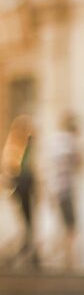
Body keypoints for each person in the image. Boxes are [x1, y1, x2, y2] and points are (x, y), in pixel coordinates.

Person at [1, 114, 40, 269]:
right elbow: (11, 169)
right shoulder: (15, 147)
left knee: (28, 221)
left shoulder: (28, 148)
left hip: (26, 188)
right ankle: (27, 251)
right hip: (20, 187)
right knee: (25, 221)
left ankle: (30, 251)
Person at [47, 112, 81, 270]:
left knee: (62, 225)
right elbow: (78, 161)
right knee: (70, 227)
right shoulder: (68, 141)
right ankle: (67, 260)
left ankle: (63, 258)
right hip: (65, 189)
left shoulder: (55, 141)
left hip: (55, 188)